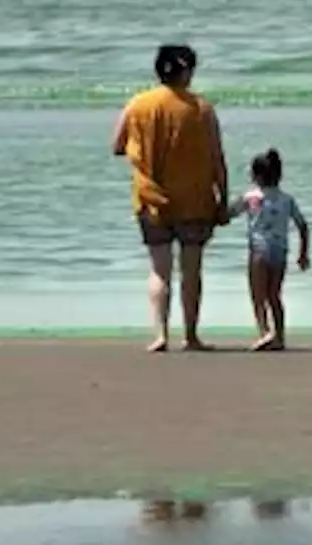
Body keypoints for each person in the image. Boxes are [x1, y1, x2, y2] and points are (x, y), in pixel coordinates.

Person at [112, 44, 229, 353]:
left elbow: (117, 145)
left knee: (159, 269)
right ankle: (190, 336)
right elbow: (217, 158)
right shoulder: (202, 109)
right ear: (186, 72)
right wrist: (223, 198)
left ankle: (161, 335)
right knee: (192, 270)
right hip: (195, 199)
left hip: (151, 198)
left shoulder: (137, 104)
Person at [227, 148, 310, 351]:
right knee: (274, 295)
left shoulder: (251, 197)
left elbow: (228, 214)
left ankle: (264, 332)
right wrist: (303, 254)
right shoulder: (287, 199)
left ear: (255, 176)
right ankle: (279, 336)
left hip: (259, 251)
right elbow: (302, 225)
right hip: (280, 252)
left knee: (257, 295)